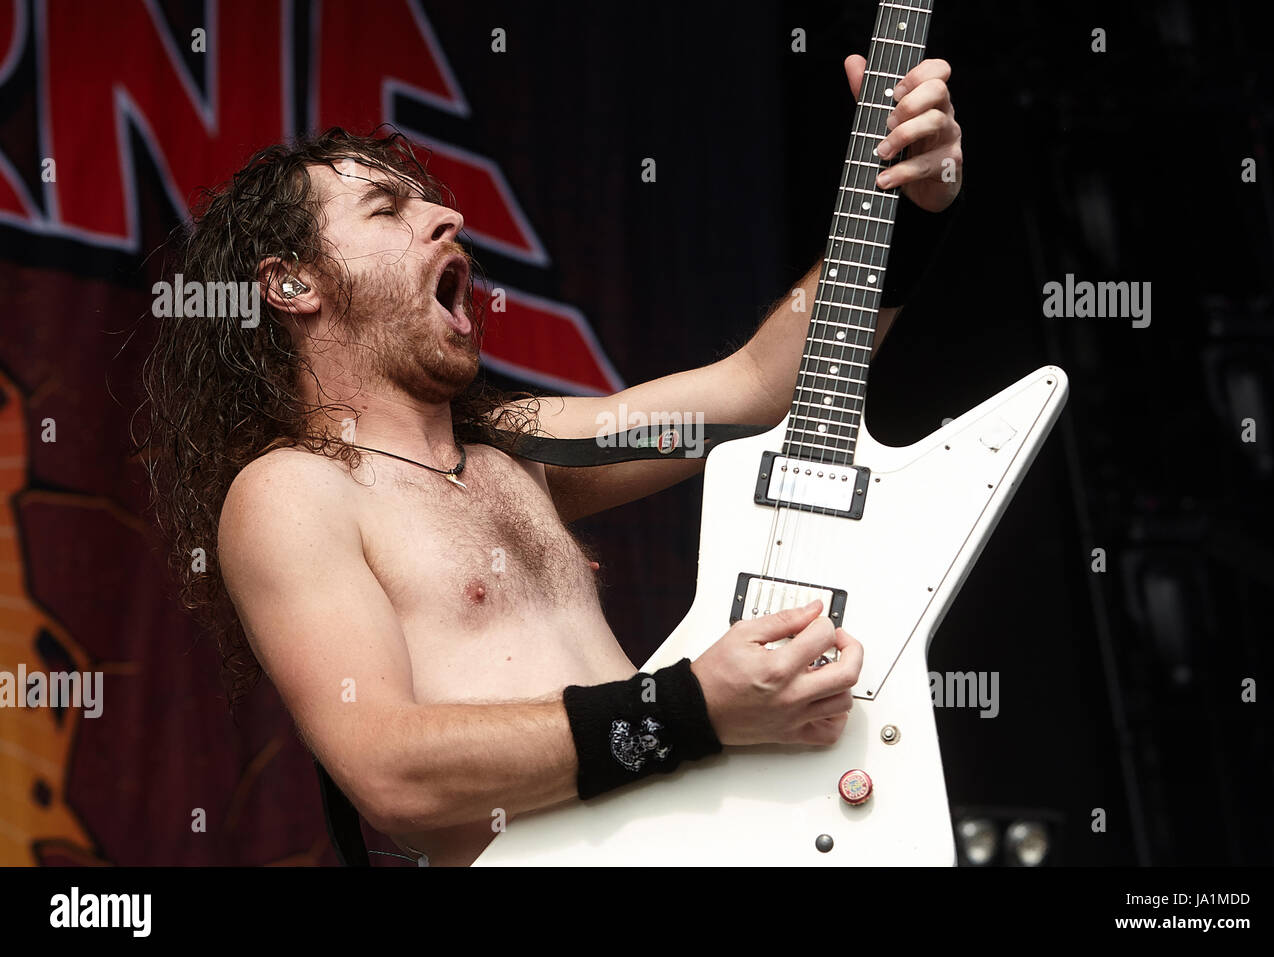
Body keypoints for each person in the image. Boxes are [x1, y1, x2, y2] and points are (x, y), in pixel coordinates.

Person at [142, 57, 962, 865]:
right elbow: (391, 772)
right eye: (387, 209)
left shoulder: (516, 446)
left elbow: (754, 385)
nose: (443, 218)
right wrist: (692, 706)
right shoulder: (290, 490)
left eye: (431, 201)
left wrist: (902, 206)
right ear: (290, 285)